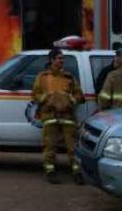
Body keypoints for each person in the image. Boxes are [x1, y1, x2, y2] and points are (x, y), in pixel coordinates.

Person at [32, 48, 85, 185]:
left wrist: (71, 100)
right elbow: (35, 94)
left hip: (67, 115)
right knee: (49, 146)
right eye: (59, 58)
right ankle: (50, 171)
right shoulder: (42, 77)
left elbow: (79, 95)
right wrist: (47, 99)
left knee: (73, 147)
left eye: (63, 58)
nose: (62, 61)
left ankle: (77, 172)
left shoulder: (69, 77)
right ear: (52, 60)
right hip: (49, 115)